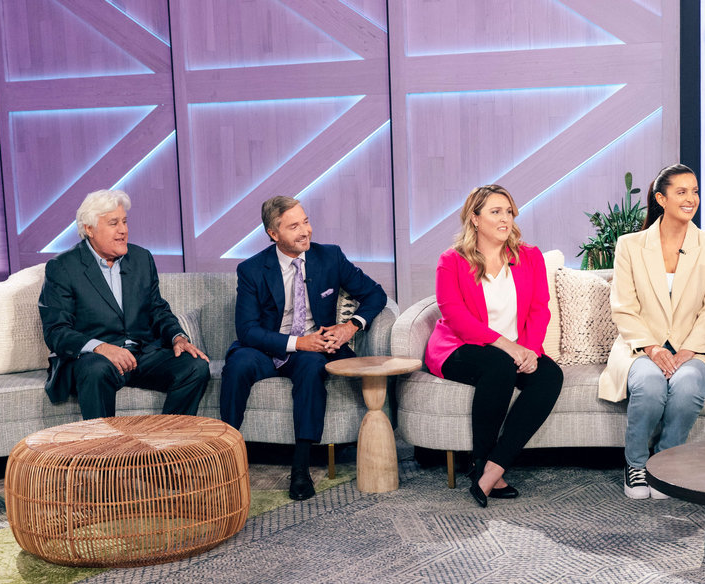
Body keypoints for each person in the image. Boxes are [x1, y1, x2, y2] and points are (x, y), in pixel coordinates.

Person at [220, 196, 387, 501]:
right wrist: (298, 342)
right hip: (267, 347)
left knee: (312, 366)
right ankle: (224, 457)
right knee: (238, 364)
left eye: (306, 221)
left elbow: (375, 294)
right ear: (274, 234)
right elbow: (247, 329)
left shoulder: (330, 257)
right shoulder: (252, 269)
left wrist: (351, 326)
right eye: (294, 226)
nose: (305, 231)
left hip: (311, 351)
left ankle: (301, 467)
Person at [598, 164, 705, 500]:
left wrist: (688, 350)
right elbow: (624, 306)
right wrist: (653, 348)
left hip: (696, 346)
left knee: (687, 386)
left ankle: (665, 464)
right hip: (642, 345)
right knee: (648, 384)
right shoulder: (630, 245)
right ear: (661, 198)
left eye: (695, 191)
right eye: (682, 192)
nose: (692, 199)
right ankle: (637, 464)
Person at [425, 184, 563, 508]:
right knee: (499, 365)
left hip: (514, 347)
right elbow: (455, 316)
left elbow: (539, 309)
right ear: (474, 219)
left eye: (509, 211)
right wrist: (509, 348)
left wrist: (528, 349)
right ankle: (481, 464)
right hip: (458, 347)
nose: (506, 219)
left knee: (550, 376)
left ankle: (493, 468)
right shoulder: (452, 260)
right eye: (495, 212)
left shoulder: (529, 256)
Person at [39, 189, 210, 420]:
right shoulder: (63, 267)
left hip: (142, 354)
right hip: (97, 359)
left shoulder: (141, 259)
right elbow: (56, 331)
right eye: (113, 223)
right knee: (95, 370)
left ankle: (166, 447)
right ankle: (106, 454)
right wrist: (101, 347)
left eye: (124, 221)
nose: (123, 230)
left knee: (195, 367)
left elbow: (157, 309)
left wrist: (178, 337)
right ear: (89, 229)